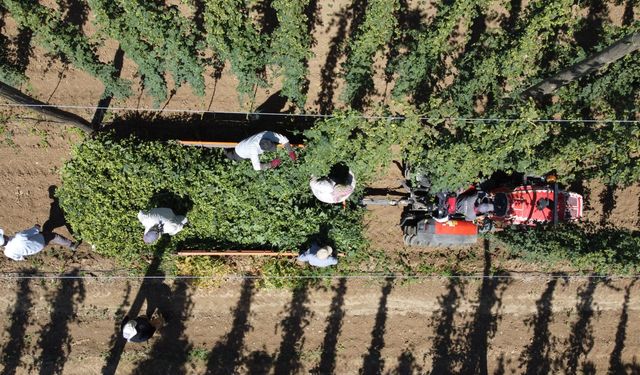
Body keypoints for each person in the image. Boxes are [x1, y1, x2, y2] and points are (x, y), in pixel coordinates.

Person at [224, 131, 296, 171]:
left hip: (245, 142)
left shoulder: (267, 134)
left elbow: (284, 139)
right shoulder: (253, 149)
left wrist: (291, 151)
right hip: (239, 153)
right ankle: (225, 151)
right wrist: (271, 164)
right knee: (230, 155)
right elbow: (256, 167)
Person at [1, 225, 77, 261]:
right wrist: (36, 226)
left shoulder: (7, 253)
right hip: (40, 240)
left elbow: (19, 258)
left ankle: (48, 241)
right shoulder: (19, 237)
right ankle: (71, 245)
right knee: (54, 236)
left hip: (35, 249)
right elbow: (35, 230)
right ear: (5, 237)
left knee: (47, 238)